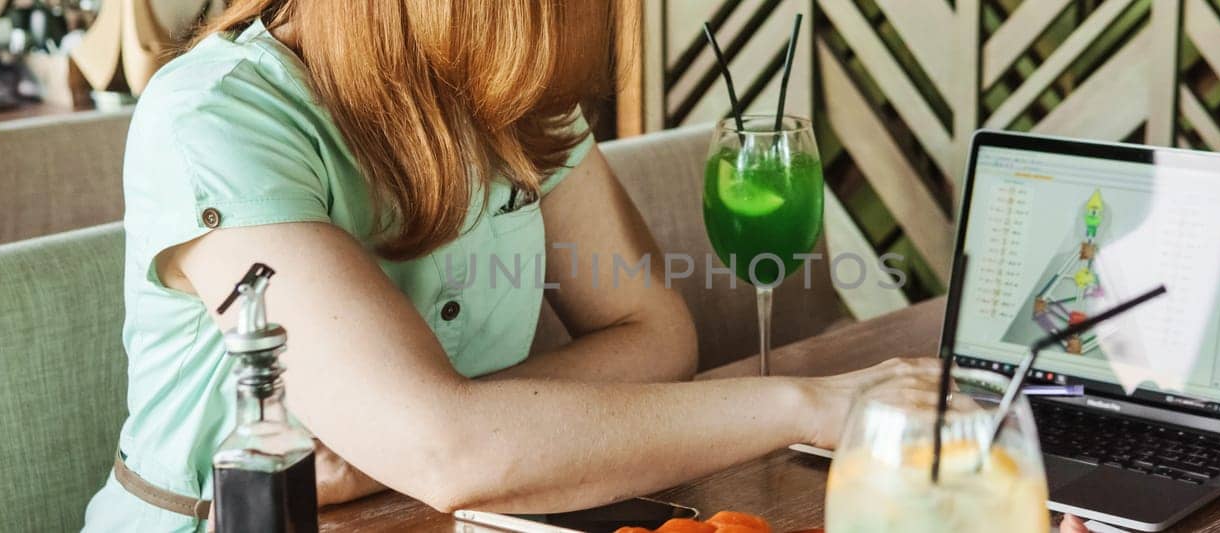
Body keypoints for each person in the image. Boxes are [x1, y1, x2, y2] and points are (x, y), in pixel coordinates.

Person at [81, 2, 940, 530]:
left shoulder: (503, 94)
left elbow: (655, 331)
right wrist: (815, 403)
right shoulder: (216, 120)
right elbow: (445, 450)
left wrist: (415, 441)